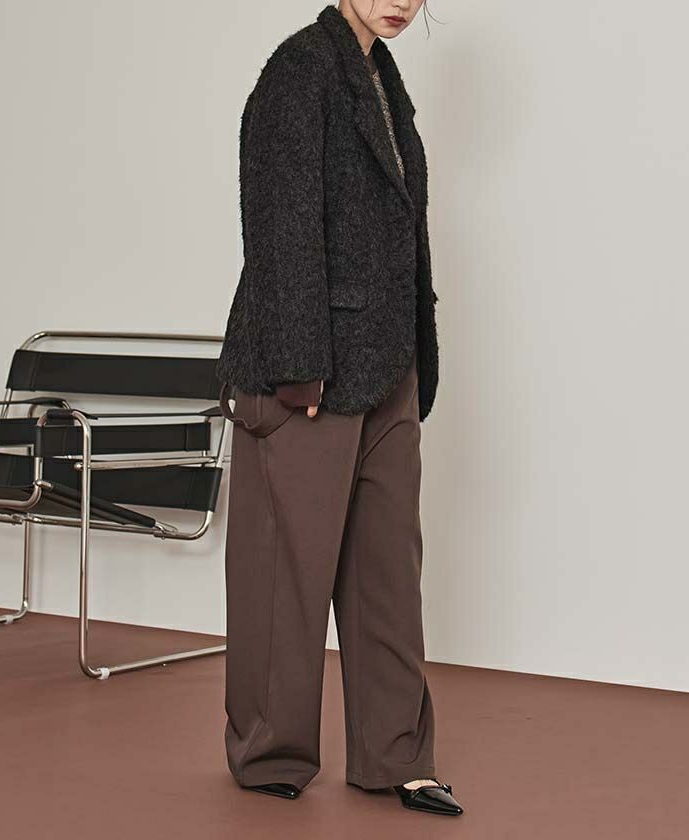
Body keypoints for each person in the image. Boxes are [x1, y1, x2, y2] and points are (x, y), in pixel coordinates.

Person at [216, 1, 463, 817]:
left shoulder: (379, 76)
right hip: (308, 371)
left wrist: (415, 358)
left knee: (388, 573)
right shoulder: (300, 70)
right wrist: (299, 370)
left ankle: (397, 755)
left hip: (387, 365)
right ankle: (271, 752)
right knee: (285, 575)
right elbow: (278, 225)